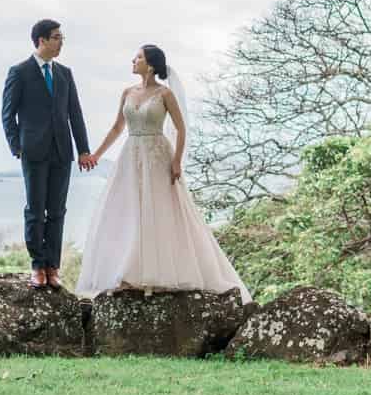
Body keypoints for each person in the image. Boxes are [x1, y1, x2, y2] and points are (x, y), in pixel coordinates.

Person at [74, 44, 249, 302]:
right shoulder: (127, 92)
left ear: (151, 64)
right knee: (129, 210)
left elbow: (180, 128)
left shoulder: (164, 94)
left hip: (157, 155)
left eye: (139, 57)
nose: (133, 60)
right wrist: (96, 156)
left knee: (159, 210)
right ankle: (127, 269)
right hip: (131, 155)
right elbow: (116, 128)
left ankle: (161, 271)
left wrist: (177, 160)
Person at [0, 19, 94, 289]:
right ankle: (37, 266)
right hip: (33, 151)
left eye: (61, 37)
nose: (61, 41)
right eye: (56, 37)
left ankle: (53, 266)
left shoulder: (65, 73)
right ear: (41, 40)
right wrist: (17, 146)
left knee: (57, 211)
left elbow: (75, 114)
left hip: (62, 151)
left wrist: (84, 149)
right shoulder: (19, 72)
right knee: (35, 210)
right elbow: (8, 115)